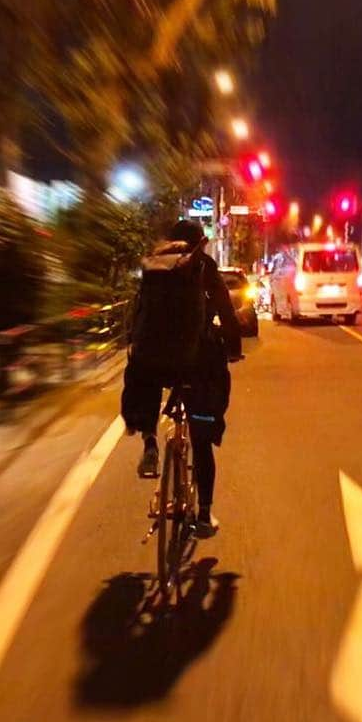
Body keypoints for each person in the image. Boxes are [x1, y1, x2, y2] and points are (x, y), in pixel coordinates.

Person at [121, 220, 242, 537]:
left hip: (152, 361)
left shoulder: (155, 264)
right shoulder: (203, 266)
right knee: (201, 437)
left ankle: (149, 440)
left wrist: (134, 344)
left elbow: (138, 312)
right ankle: (203, 515)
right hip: (194, 363)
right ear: (199, 241)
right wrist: (233, 347)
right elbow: (226, 312)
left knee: (142, 373)